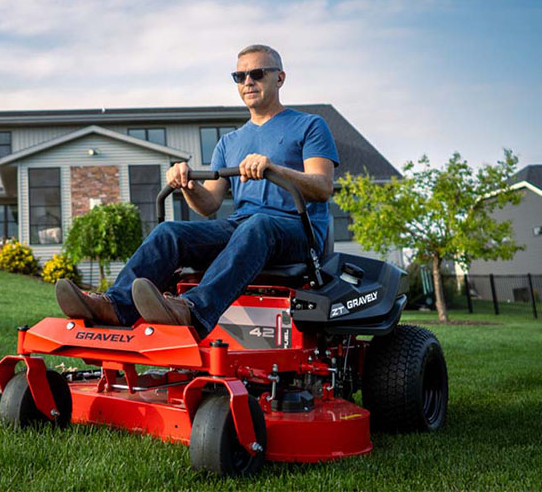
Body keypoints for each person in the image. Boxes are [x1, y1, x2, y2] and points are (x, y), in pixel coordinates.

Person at [56, 44, 339, 337]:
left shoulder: (309, 126)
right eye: (239, 77)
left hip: (296, 232)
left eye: (257, 74)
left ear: (279, 78)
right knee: (170, 234)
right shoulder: (229, 142)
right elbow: (209, 204)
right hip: (243, 228)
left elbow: (322, 187)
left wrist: (274, 169)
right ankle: (115, 307)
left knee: (258, 225)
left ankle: (192, 310)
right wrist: (187, 185)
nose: (248, 82)